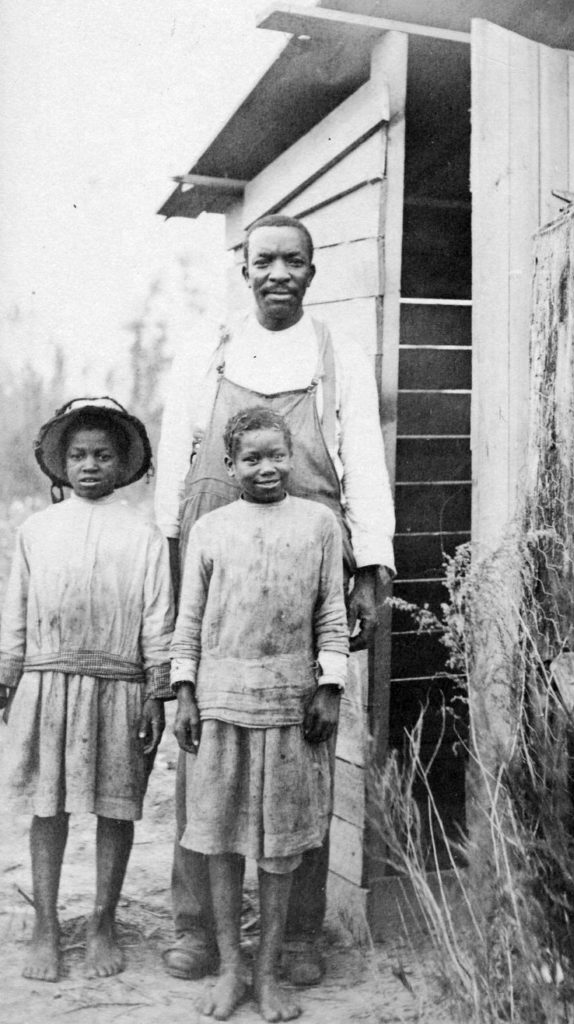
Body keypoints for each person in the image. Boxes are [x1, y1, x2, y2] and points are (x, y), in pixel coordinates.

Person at [156, 214, 395, 984]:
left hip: (307, 573)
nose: (279, 273)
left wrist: (372, 563)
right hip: (219, 576)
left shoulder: (339, 357)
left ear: (313, 271)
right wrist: (171, 552)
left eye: (294, 260)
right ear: (246, 269)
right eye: (265, 260)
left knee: (305, 750)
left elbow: (362, 456)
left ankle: (295, 936)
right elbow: (174, 467)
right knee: (208, 759)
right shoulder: (208, 350)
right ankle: (196, 925)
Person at [172, 405, 348, 1021]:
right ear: (231, 465)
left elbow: (332, 615)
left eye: (278, 455)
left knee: (279, 848)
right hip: (220, 702)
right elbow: (188, 621)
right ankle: (229, 968)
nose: (267, 467)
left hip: (290, 706)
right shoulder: (212, 529)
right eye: (252, 458)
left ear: (293, 457)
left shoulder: (319, 524)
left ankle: (269, 973)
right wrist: (186, 692)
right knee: (221, 840)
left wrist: (328, 688)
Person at [0, 398, 174, 982]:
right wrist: (7, 677)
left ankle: (103, 921)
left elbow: (158, 617)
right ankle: (46, 924)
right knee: (47, 806)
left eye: (103, 455)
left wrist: (156, 690)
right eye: (78, 455)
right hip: (47, 682)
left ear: (122, 463)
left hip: (118, 686)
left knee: (113, 805)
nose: (90, 465)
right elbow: (14, 611)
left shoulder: (144, 536)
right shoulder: (36, 530)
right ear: (61, 464)